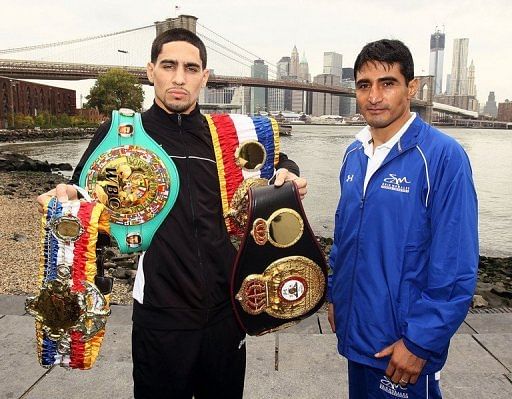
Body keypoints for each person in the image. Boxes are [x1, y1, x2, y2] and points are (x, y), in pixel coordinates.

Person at [37, 28, 307, 398]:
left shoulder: (228, 136)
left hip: (226, 312)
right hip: (160, 315)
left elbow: (274, 164)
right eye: (169, 66)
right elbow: (85, 197)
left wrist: (290, 172)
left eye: (191, 68)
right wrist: (67, 199)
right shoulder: (122, 135)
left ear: (205, 77)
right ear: (151, 71)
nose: (179, 78)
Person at [327, 39, 478, 398]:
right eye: (364, 85)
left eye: (388, 83)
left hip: (403, 345)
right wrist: (335, 296)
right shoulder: (354, 153)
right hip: (356, 335)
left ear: (411, 87)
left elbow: (455, 264)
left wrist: (420, 342)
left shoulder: (443, 157)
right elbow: (345, 235)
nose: (374, 96)